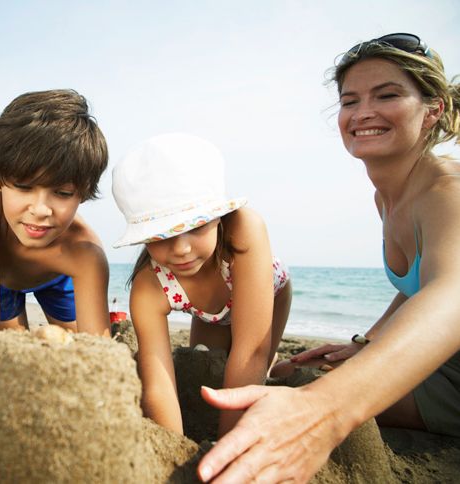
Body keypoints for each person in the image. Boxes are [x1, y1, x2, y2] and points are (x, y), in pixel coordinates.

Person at [197, 33, 460, 482]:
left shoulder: (446, 193)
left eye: (388, 95)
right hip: (441, 358)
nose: (362, 113)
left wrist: (326, 411)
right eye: (349, 100)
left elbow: (451, 295)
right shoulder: (389, 196)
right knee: (286, 371)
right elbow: (417, 286)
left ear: (433, 108)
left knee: (307, 389)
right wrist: (367, 342)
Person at [111, 133, 292, 438]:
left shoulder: (243, 230)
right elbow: (158, 382)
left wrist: (228, 445)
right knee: (207, 369)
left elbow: (251, 351)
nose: (181, 249)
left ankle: (276, 373)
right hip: (208, 314)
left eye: (195, 226)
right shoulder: (148, 286)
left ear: (218, 216)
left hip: (268, 295)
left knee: (254, 367)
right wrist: (174, 448)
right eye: (161, 235)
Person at [0, 89, 111, 364]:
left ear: (83, 194)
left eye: (63, 193)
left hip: (54, 278)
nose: (40, 210)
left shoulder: (85, 254)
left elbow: (98, 356)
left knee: (72, 346)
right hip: (0, 281)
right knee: (8, 350)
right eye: (24, 187)